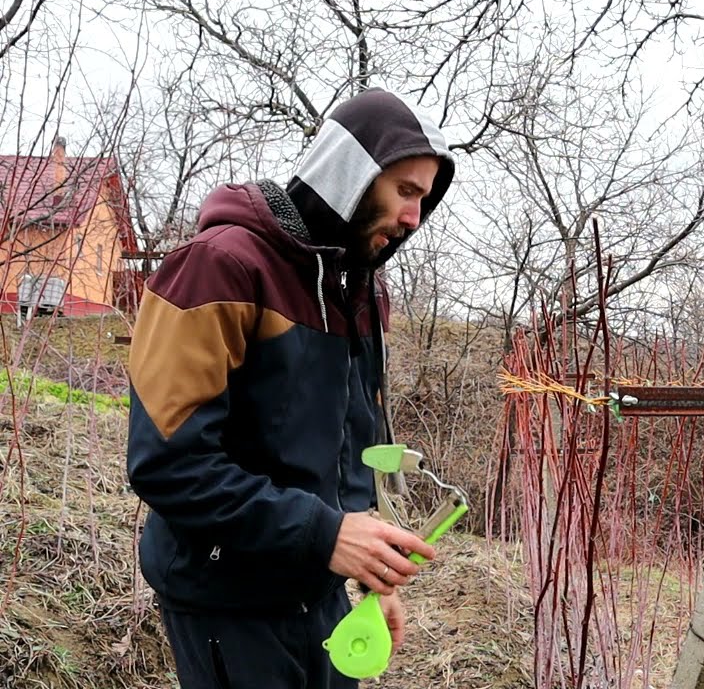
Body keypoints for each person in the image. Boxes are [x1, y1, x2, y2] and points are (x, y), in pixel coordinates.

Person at [125, 87, 456, 688]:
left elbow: (350, 451)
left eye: (424, 200)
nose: (414, 218)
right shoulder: (220, 266)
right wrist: (327, 535)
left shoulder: (360, 294)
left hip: (321, 595)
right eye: (405, 191)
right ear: (350, 175)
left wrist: (367, 579)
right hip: (227, 600)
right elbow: (167, 464)